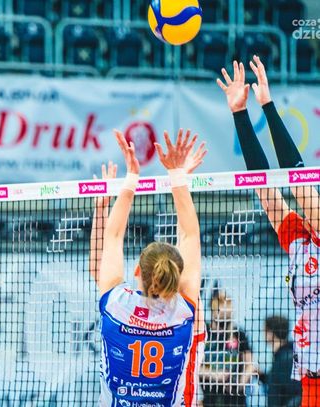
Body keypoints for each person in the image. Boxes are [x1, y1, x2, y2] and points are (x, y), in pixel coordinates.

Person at [217, 55, 320, 406]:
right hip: (310, 380)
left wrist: (268, 107)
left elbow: (299, 182)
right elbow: (266, 191)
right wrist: (240, 114)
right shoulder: (299, 240)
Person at [90, 142, 207, 407]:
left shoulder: (116, 303)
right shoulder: (186, 311)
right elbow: (190, 235)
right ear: (177, 277)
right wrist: (178, 178)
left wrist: (132, 177)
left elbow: (113, 237)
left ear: (136, 271)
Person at [200, 289, 256, 406]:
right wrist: (214, 374)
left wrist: (239, 384)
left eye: (228, 313)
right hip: (211, 397)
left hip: (235, 399)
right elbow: (194, 367)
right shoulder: (204, 333)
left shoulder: (238, 334)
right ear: (213, 311)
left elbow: (250, 364)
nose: (225, 316)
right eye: (221, 312)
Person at [263, 316, 301, 406]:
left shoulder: (286, 359)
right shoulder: (284, 356)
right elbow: (279, 383)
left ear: (270, 333)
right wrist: (262, 376)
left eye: (265, 330)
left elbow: (296, 392)